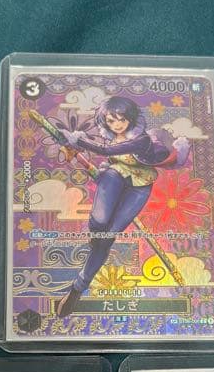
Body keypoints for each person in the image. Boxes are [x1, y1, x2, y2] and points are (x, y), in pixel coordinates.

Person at [55, 96, 189, 316]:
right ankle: (96, 233)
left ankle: (77, 289)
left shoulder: (141, 140)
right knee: (99, 223)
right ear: (105, 121)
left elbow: (106, 151)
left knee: (106, 239)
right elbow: (109, 157)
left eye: (122, 119)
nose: (117, 125)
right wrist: (71, 143)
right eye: (111, 120)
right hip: (113, 177)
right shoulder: (112, 138)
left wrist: (77, 140)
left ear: (131, 118)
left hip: (139, 187)